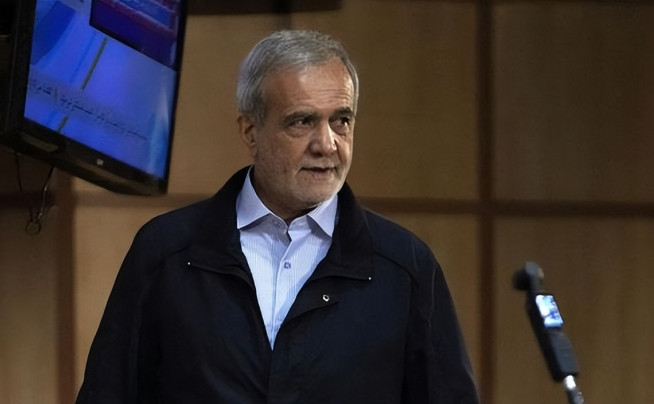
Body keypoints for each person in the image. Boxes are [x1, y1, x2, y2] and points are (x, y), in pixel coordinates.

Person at [76, 30, 479, 404]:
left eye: (341, 121)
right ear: (250, 131)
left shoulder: (405, 267)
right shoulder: (165, 251)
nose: (327, 144)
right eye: (302, 121)